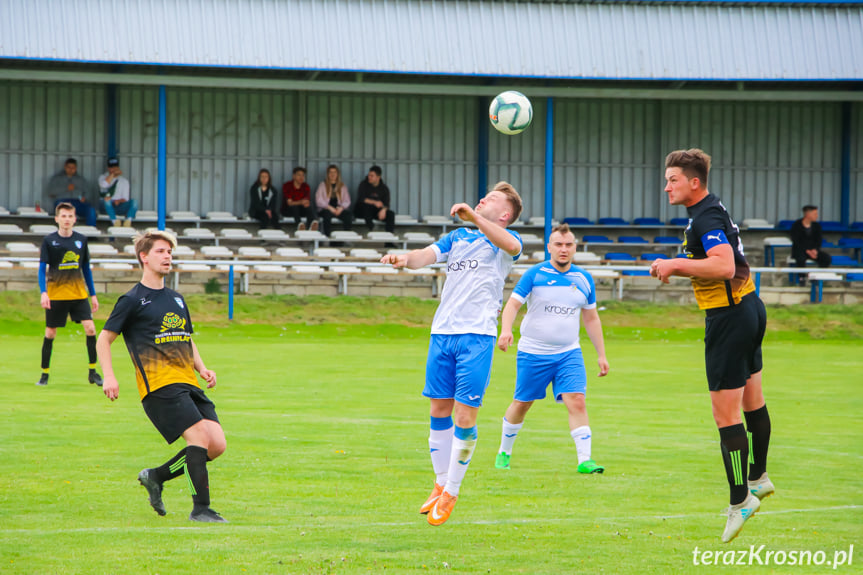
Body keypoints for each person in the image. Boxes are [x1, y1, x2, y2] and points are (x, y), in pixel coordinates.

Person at [381, 182, 523, 526]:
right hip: (443, 333)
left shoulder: (503, 243)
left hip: (477, 337)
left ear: (504, 213)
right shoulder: (458, 237)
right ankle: (439, 482)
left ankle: (452, 491)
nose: (481, 199)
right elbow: (424, 256)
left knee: (464, 416)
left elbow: (513, 244)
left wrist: (474, 215)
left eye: (489, 200)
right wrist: (404, 259)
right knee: (438, 408)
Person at [649, 149, 772, 543]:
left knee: (726, 416)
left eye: (672, 180)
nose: (667, 186)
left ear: (693, 182)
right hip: (749, 308)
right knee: (753, 400)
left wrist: (674, 265)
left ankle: (741, 501)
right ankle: (760, 477)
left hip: (731, 318)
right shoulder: (708, 211)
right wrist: (678, 264)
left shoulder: (705, 216)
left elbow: (722, 266)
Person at [96, 230, 227, 523]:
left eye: (170, 251)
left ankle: (155, 476)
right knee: (197, 438)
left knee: (216, 444)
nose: (168, 256)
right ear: (144, 257)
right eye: (161, 251)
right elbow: (103, 339)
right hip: (158, 385)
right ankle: (200, 509)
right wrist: (109, 376)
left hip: (187, 382)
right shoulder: (131, 300)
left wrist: (202, 368)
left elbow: (185, 338)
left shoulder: (177, 299)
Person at [494, 223, 609, 474]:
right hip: (533, 352)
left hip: (569, 353)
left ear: (575, 248)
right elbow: (512, 305)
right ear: (549, 247)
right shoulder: (535, 274)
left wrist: (601, 354)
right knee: (522, 403)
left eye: (568, 245)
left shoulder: (583, 279)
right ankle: (504, 450)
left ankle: (584, 460)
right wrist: (505, 331)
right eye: (558, 244)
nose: (563, 249)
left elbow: (591, 318)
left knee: (577, 400)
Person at [36, 202, 102, 387]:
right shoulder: (49, 241)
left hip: (78, 294)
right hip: (56, 294)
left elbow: (86, 269)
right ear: (57, 219)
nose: (67, 219)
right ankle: (44, 374)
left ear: (74, 219)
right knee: (50, 333)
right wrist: (44, 292)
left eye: (70, 216)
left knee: (90, 328)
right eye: (63, 216)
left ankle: (93, 372)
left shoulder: (81, 240)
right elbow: (42, 269)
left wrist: (93, 294)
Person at [43, 158, 98, 227]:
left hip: (78, 202)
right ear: (65, 167)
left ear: (76, 168)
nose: (71, 169)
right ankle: (68, 230)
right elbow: (50, 192)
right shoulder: (57, 178)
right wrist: (66, 188)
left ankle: (91, 233)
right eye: (69, 167)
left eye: (73, 168)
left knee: (91, 210)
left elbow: (88, 192)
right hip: (62, 201)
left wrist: (85, 198)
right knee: (64, 210)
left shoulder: (81, 180)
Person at [790, 205, 831, 284]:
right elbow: (796, 240)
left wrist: (815, 250)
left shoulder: (817, 226)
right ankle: (802, 278)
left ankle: (818, 278)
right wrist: (807, 250)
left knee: (826, 258)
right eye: (815, 214)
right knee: (800, 259)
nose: (817, 216)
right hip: (800, 250)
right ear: (808, 214)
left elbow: (818, 240)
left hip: (813, 250)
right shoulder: (796, 225)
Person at [355, 165, 396, 234]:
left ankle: (389, 241)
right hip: (362, 211)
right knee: (366, 206)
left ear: (378, 177)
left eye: (372, 176)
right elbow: (361, 199)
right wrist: (374, 202)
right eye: (369, 175)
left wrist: (383, 210)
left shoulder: (384, 188)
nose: (369, 177)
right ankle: (372, 229)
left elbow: (386, 203)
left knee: (391, 214)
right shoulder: (363, 185)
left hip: (375, 212)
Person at [315, 164, 353, 237]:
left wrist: (341, 208)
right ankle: (327, 236)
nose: (332, 174)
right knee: (327, 215)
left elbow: (347, 201)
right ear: (328, 174)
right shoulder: (323, 185)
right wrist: (330, 208)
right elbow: (318, 200)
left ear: (337, 174)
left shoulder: (342, 186)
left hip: (338, 209)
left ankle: (346, 237)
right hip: (326, 209)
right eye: (330, 172)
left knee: (348, 216)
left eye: (334, 172)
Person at [98, 157, 138, 226]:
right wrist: (113, 174)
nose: (113, 169)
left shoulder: (124, 181)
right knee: (107, 200)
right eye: (111, 167)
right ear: (108, 168)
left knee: (134, 202)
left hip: (119, 205)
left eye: (115, 167)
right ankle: (115, 222)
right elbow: (104, 185)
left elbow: (125, 198)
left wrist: (118, 201)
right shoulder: (102, 177)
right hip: (106, 206)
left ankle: (128, 221)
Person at [281, 166, 318, 231]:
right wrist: (301, 202)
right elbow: (289, 203)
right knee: (294, 207)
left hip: (301, 210)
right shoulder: (287, 185)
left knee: (309, 207)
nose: (301, 177)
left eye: (303, 175)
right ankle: (300, 226)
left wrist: (298, 202)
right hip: (288, 210)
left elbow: (306, 202)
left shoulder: (305, 186)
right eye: (299, 175)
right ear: (294, 176)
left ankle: (311, 226)